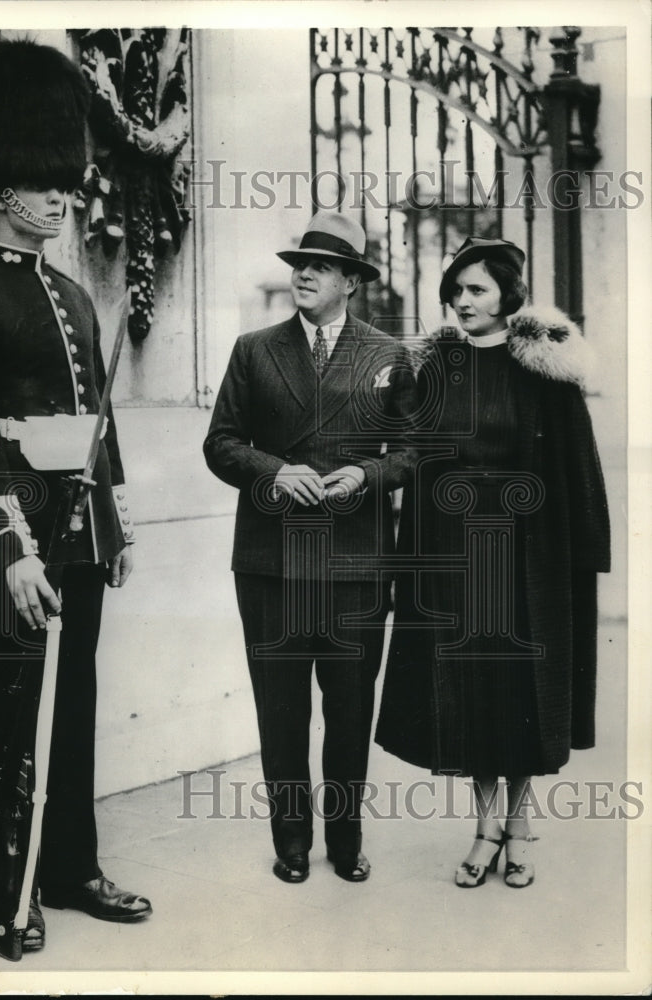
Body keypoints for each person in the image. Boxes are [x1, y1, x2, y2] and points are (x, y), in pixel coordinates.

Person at [0, 39, 150, 961]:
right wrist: (11, 547)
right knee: (14, 712)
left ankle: (70, 870)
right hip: (14, 538)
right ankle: (6, 900)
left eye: (64, 180)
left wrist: (119, 510)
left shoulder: (74, 293)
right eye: (39, 182)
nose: (62, 195)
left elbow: (99, 414)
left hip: (80, 530)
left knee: (77, 704)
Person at [375, 237, 611, 888]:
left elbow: (577, 467)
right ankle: (485, 828)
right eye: (455, 288)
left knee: (524, 694)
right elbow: (415, 458)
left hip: (529, 559)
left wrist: (585, 555)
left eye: (475, 288)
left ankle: (517, 825)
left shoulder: (543, 369)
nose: (461, 299)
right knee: (472, 694)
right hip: (454, 557)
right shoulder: (435, 368)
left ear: (508, 295)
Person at [204, 211, 417, 884]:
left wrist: (368, 474)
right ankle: (291, 840)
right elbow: (221, 444)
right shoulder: (254, 349)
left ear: (351, 281)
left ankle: (346, 841)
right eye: (299, 263)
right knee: (282, 710)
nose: (302, 273)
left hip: (356, 563)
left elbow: (414, 452)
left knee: (351, 710)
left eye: (320, 266)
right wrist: (274, 470)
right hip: (271, 564)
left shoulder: (389, 355)